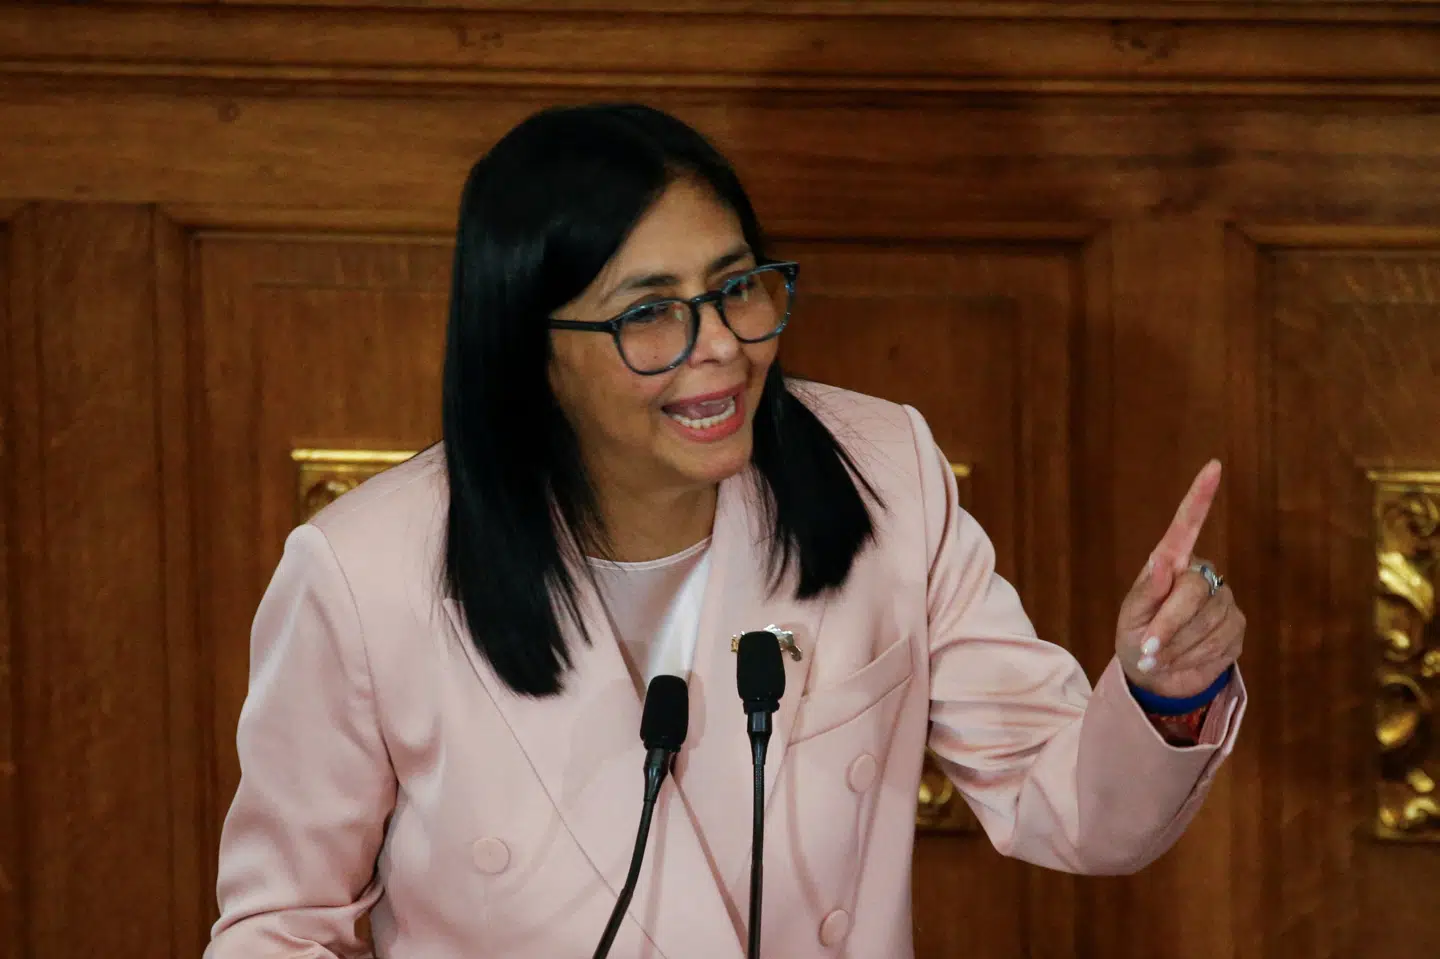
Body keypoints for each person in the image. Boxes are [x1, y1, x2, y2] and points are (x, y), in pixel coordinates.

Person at [206, 103, 1246, 959]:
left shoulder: (885, 476)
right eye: (649, 312)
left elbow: (1064, 798)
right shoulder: (365, 570)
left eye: (736, 288)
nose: (719, 348)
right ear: (531, 345)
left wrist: (1164, 687)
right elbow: (281, 924)